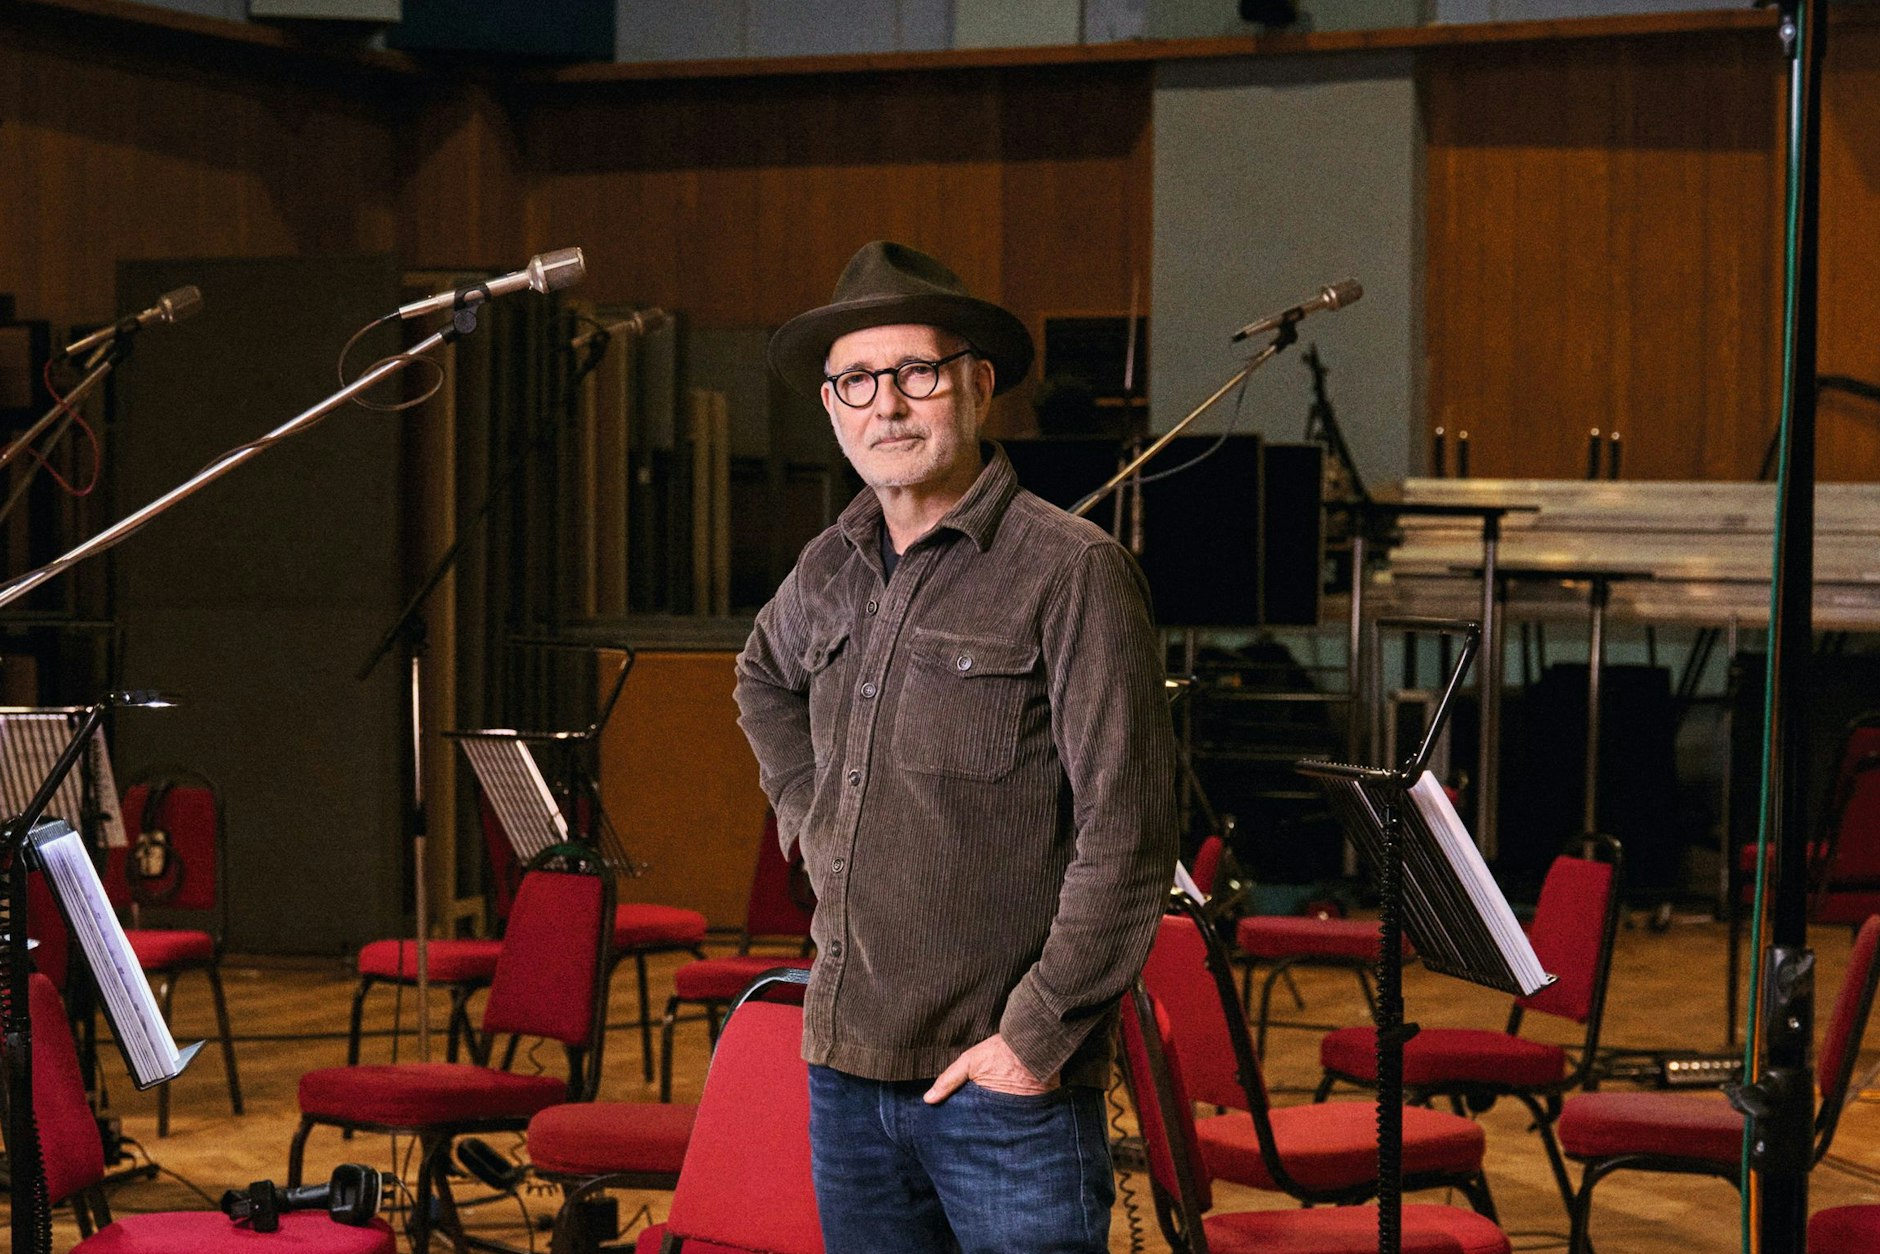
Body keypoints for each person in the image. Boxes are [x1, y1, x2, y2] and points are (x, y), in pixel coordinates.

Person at [735, 241, 1177, 1254]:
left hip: (1003, 1091)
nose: (884, 405)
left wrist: (1033, 1040)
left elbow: (1128, 841)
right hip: (845, 1073)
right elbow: (761, 676)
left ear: (976, 388)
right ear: (831, 406)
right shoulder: (831, 562)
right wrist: (810, 816)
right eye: (854, 380)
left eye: (914, 374)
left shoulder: (1071, 574)